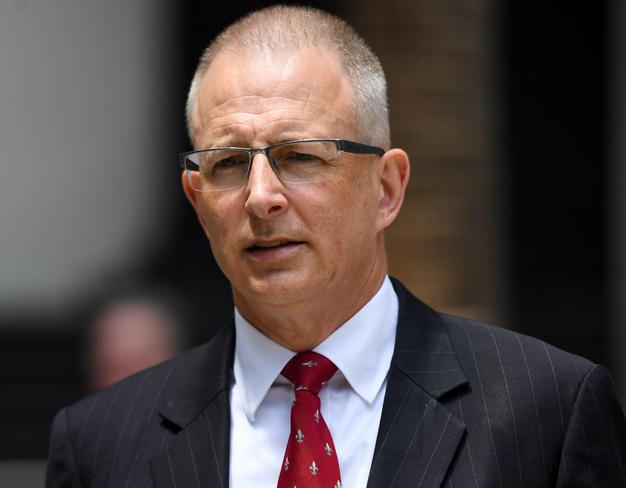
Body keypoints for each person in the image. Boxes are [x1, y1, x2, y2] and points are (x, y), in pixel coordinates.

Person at [45, 5, 625, 488]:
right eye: (228, 163)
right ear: (197, 201)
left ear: (387, 188)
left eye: (299, 156)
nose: (261, 197)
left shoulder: (546, 413)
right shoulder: (102, 444)